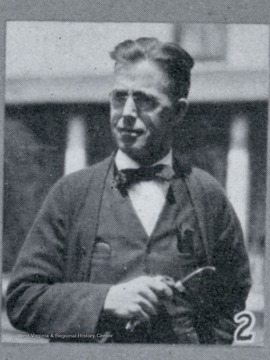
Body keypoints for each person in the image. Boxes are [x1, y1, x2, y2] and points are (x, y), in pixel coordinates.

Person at [6, 37, 251, 344]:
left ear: (178, 112)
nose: (127, 113)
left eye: (145, 101)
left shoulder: (207, 196)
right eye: (120, 97)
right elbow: (22, 299)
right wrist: (106, 299)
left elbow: (233, 294)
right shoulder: (71, 193)